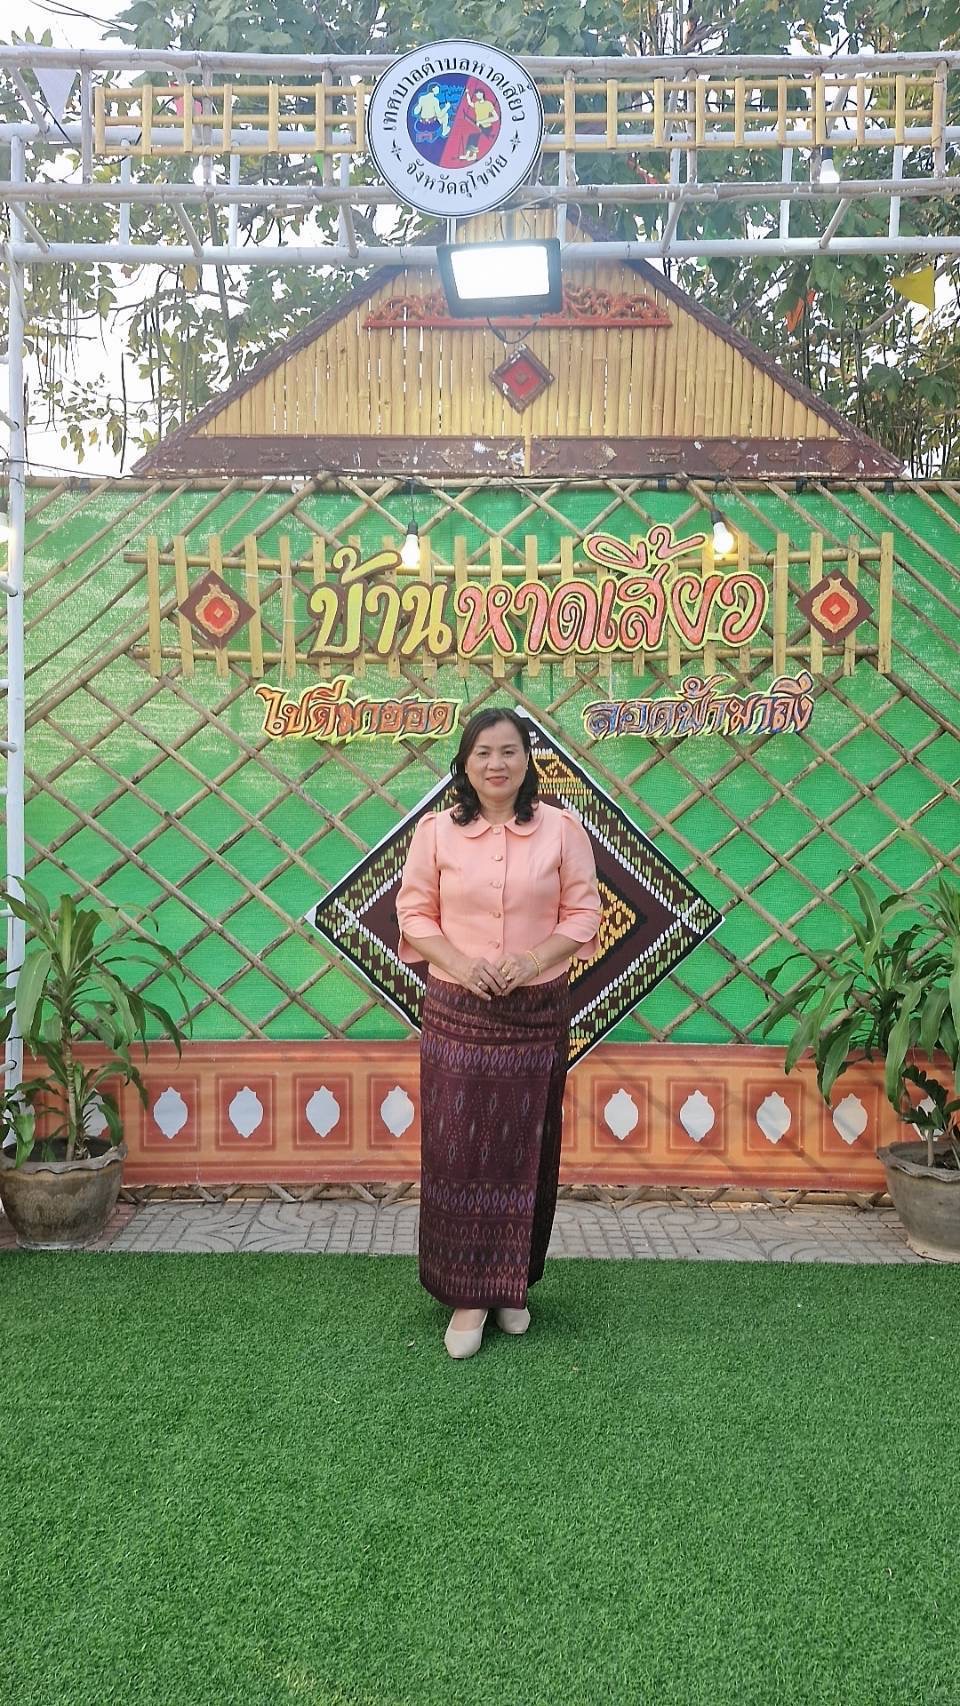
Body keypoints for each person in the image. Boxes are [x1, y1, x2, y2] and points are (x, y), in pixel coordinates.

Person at [395, 708, 601, 1360]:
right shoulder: (435, 833)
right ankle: (468, 1295)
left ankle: (511, 1285)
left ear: (527, 760)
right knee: (460, 1150)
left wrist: (532, 961)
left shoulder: (562, 830)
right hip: (457, 1012)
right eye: (483, 752)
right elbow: (413, 914)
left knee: (524, 1149)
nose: (496, 764)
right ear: (464, 762)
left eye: (509, 751)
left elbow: (583, 914)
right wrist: (463, 965)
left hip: (535, 1015)